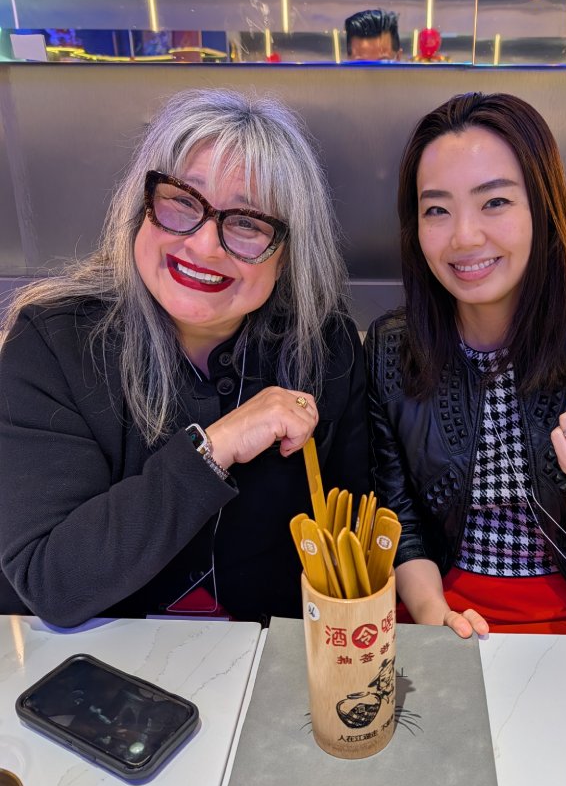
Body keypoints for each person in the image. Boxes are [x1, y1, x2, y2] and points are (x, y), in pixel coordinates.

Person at [0, 88, 368, 627]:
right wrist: (213, 448)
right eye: (182, 202)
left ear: (288, 255)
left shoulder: (323, 346)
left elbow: (351, 542)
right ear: (141, 209)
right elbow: (51, 580)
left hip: (265, 659)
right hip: (93, 663)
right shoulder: (54, 342)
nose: (204, 245)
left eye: (248, 223)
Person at [365, 92, 566, 638]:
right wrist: (434, 616)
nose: (464, 237)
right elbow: (399, 518)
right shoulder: (393, 346)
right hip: (439, 596)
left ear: (542, 207)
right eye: (437, 209)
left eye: (495, 202)